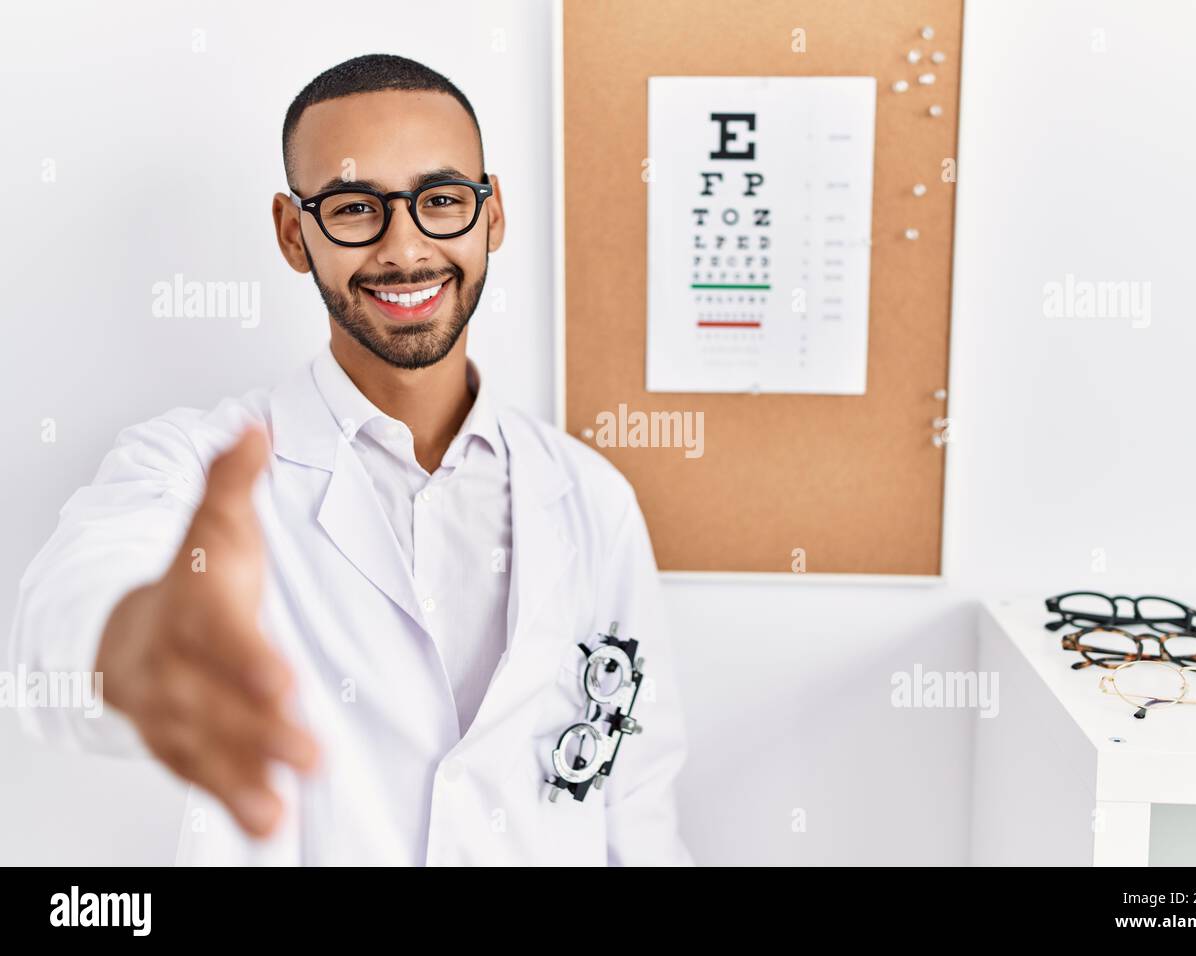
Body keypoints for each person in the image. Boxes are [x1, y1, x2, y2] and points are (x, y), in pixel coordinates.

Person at [9, 53, 693, 866]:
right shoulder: (192, 469)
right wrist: (140, 645)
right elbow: (64, 627)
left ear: (493, 213)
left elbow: (637, 809)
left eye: (441, 200)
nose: (405, 249)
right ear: (293, 233)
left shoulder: (590, 498)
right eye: (354, 207)